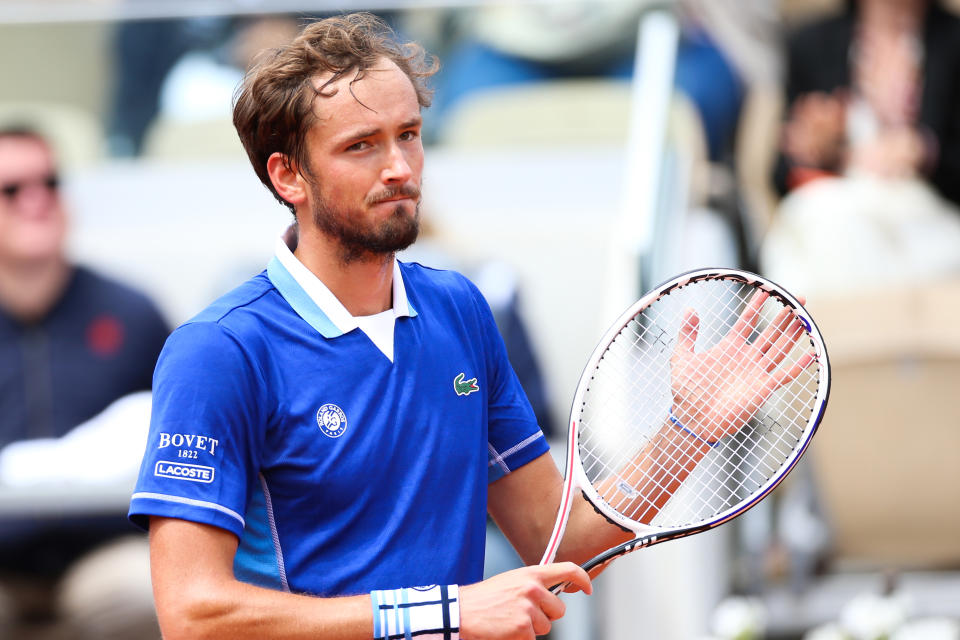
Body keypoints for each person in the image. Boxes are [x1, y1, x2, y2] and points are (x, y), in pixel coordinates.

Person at [128, 13, 811, 639]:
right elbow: (193, 614)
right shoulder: (218, 352)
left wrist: (684, 431)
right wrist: (448, 613)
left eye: (409, 136)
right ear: (289, 176)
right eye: (362, 146)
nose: (400, 168)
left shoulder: (459, 308)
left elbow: (557, 540)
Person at [0, 126, 170, 636]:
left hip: (106, 549)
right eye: (12, 189)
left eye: (49, 183)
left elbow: (188, 440)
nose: (37, 201)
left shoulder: (131, 314)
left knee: (148, 594)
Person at [762, 0, 960, 296]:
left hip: (928, 217)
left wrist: (924, 152)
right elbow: (781, 175)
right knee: (822, 220)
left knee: (820, 230)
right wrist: (822, 151)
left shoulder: (952, 41)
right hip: (836, 206)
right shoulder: (813, 44)